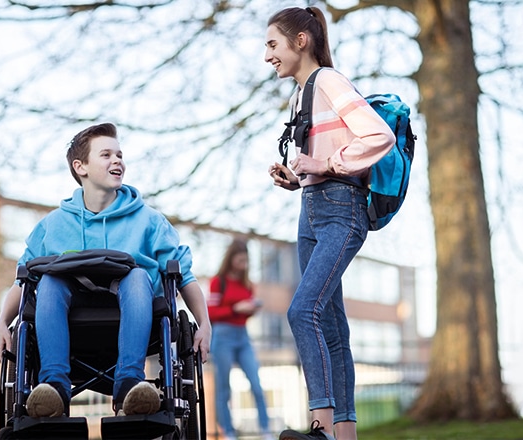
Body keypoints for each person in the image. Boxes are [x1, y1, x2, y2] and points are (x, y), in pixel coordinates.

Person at [0, 122, 212, 418]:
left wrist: (205, 323)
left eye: (119, 154)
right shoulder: (53, 225)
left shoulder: (149, 221)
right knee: (50, 280)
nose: (117, 160)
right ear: (80, 167)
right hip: (69, 322)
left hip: (135, 315)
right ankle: (53, 389)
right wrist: (2, 323)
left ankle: (130, 387)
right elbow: (23, 279)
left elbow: (182, 275)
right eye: (106, 155)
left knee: (136, 275)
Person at [264, 7, 396, 440]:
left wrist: (325, 163)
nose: (267, 56)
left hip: (342, 209)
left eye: (272, 45)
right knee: (333, 328)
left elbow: (378, 136)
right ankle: (344, 436)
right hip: (311, 209)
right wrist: (296, 177)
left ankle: (319, 427)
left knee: (303, 311)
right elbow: (318, 163)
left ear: (300, 41)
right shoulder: (299, 94)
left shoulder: (331, 82)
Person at [207, 239, 273, 440]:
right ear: (232, 258)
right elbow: (211, 312)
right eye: (240, 260)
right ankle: (228, 432)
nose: (243, 264)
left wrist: (250, 309)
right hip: (223, 336)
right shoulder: (218, 282)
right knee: (224, 388)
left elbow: (245, 314)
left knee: (256, 383)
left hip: (242, 336)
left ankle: (266, 430)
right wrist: (236, 308)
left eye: (246, 260)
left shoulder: (248, 284)